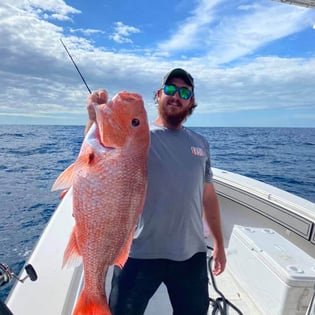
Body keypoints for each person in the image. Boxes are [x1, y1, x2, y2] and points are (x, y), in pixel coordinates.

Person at [85, 68, 226, 315]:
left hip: (190, 254)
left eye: (184, 92)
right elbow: (94, 158)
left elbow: (208, 195)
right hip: (138, 251)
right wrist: (93, 117)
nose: (176, 96)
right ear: (159, 95)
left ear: (191, 101)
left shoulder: (201, 143)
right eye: (170, 89)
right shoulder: (137, 135)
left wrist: (220, 245)